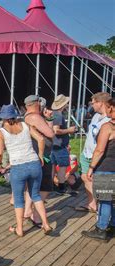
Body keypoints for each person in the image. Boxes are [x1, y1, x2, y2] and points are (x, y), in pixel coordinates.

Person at [0, 104, 52, 237]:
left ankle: (19, 229)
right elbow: (41, 139)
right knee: (36, 195)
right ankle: (46, 224)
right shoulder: (26, 125)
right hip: (34, 164)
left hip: (18, 167)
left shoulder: (1, 132)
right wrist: (41, 155)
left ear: (3, 118)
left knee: (19, 199)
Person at [82, 98, 115, 241]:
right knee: (113, 199)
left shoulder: (108, 127)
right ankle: (112, 226)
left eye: (107, 107)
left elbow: (99, 150)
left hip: (106, 166)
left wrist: (91, 167)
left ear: (112, 108)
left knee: (105, 199)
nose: (106, 110)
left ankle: (101, 229)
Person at [23, 95, 55, 224]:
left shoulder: (25, 116)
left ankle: (27, 211)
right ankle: (35, 215)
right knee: (44, 187)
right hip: (42, 156)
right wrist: (50, 119)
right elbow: (50, 133)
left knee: (32, 186)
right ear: (37, 104)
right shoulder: (35, 117)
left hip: (32, 154)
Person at [78, 92, 111, 213]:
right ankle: (92, 204)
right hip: (87, 153)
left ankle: (104, 208)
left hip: (99, 155)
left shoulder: (110, 119)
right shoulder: (96, 116)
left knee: (100, 182)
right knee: (84, 177)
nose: (92, 106)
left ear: (100, 103)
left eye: (93, 103)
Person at [50, 95, 77, 193]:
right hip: (59, 146)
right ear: (63, 104)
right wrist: (69, 130)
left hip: (53, 145)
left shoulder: (52, 114)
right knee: (62, 166)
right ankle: (61, 188)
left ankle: (50, 187)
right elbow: (56, 130)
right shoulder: (58, 115)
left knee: (52, 165)